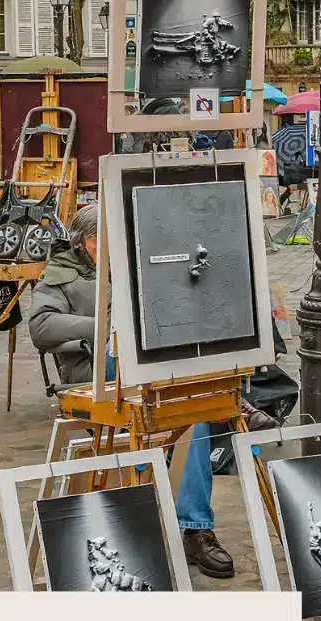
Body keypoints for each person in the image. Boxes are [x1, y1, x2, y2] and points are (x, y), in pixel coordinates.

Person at [27, 206, 240, 578]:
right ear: (80, 243)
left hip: (146, 368)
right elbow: (41, 326)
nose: (108, 248)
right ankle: (237, 404)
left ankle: (195, 528)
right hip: (94, 370)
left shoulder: (131, 265)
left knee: (193, 413)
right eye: (99, 241)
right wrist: (106, 326)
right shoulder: (61, 273)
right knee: (182, 393)